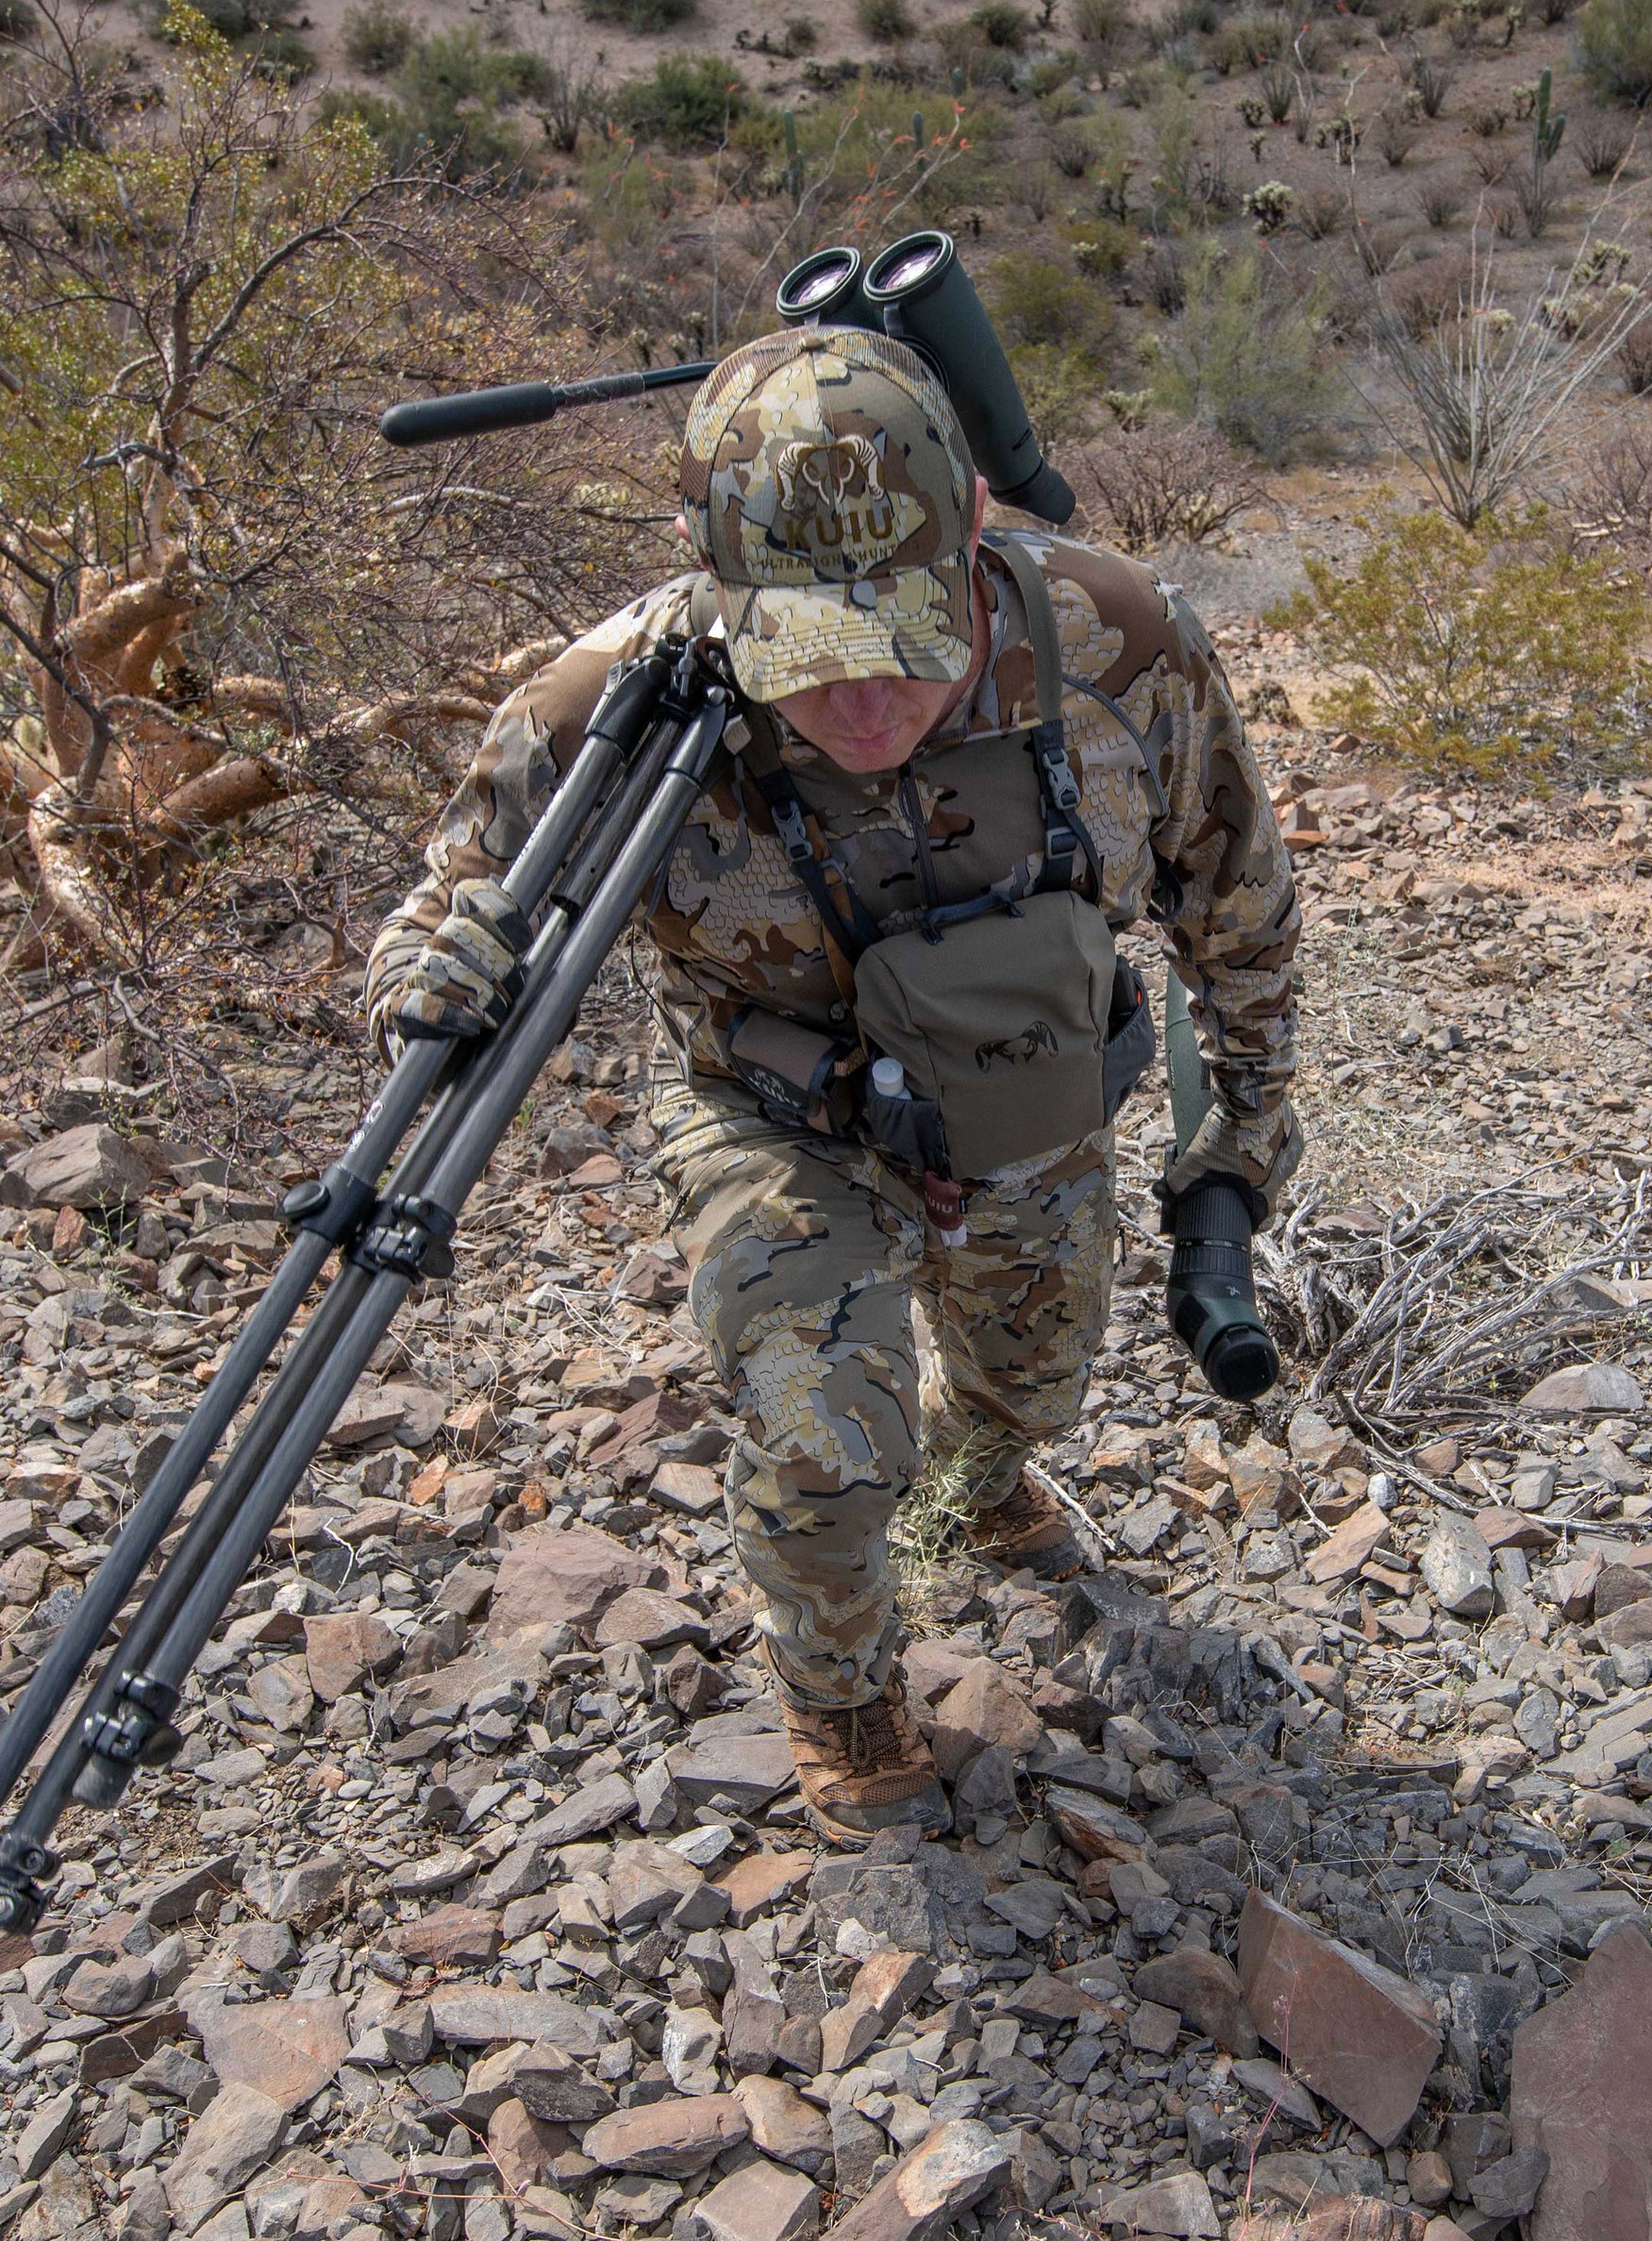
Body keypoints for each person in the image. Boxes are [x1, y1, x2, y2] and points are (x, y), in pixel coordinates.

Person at [365, 326, 1301, 1845]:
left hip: (1025, 1096)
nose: (865, 709)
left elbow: (1236, 901)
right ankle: (841, 1682)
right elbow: (442, 915)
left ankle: (977, 1468)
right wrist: (438, 976)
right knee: (825, 1439)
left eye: (908, 643)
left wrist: (1244, 1127)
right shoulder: (608, 707)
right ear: (713, 577)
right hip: (776, 1113)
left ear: (976, 530)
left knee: (1034, 1385)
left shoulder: (1121, 642)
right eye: (811, 659)